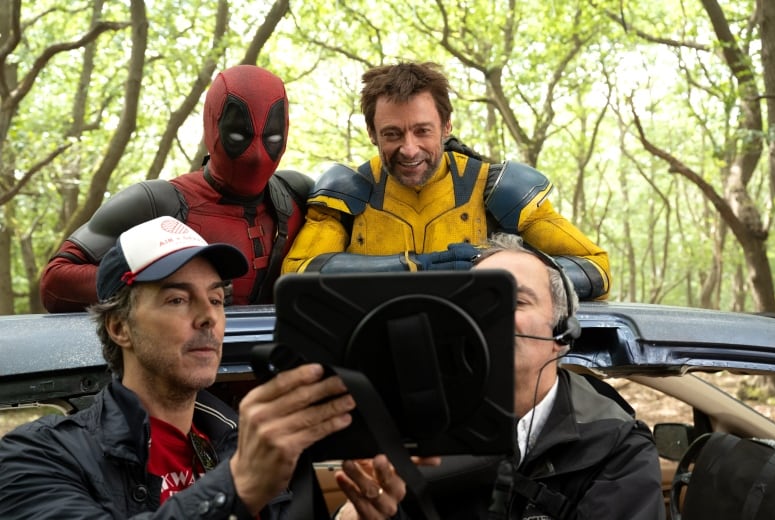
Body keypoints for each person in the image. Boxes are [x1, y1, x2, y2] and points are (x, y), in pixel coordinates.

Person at [0, 216, 407, 519]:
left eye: (215, 299)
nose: (208, 317)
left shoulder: (243, 444)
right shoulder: (38, 455)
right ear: (120, 327)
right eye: (177, 299)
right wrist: (238, 486)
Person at [281, 61, 610, 301]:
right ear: (372, 134)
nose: (409, 149)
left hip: (481, 358)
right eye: (392, 134)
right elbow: (295, 276)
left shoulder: (498, 189)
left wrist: (503, 276)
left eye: (422, 130)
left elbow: (596, 269)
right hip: (371, 358)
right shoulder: (347, 191)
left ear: (447, 126)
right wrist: (415, 268)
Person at [414, 232, 664, 519]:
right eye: (476, 302)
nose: (489, 316)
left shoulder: (618, 448)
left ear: (561, 331)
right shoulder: (426, 432)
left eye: (516, 301)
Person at [41, 64, 312, 312]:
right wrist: (161, 283)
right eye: (239, 135)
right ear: (212, 124)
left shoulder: (299, 196)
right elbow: (55, 282)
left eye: (272, 137)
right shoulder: (155, 204)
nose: (256, 155)